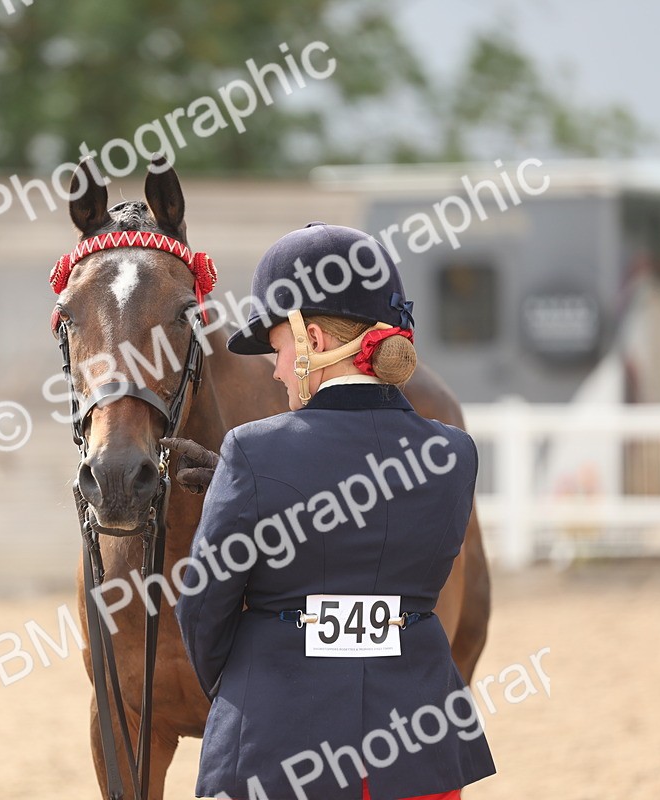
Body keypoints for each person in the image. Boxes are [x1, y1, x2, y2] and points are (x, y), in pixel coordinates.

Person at [164, 223, 495, 800]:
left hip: (280, 747)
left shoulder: (251, 451)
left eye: (278, 348)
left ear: (312, 338)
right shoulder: (454, 454)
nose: (273, 368)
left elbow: (203, 610)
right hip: (417, 749)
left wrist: (248, 687)